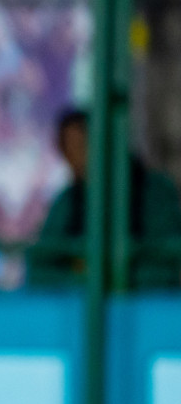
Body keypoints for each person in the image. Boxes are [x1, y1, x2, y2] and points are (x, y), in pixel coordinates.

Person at [28, 108, 181, 288]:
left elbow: (166, 262)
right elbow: (40, 265)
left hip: (147, 307)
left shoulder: (154, 192)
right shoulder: (67, 202)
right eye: (68, 149)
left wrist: (114, 279)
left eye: (82, 146)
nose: (76, 157)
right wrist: (80, 281)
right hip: (77, 307)